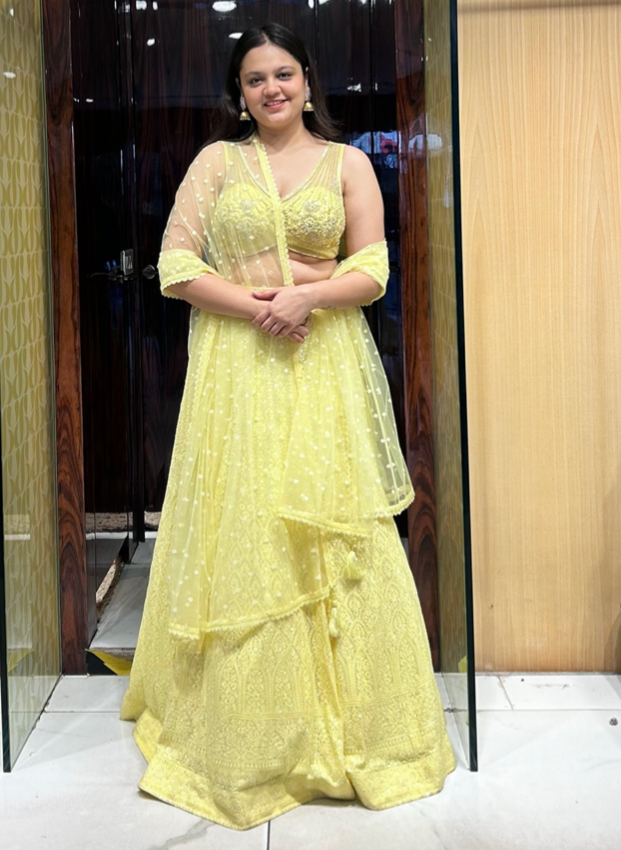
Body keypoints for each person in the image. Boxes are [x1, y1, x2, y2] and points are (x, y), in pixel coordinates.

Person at [120, 22, 456, 831]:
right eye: (254, 80)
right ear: (239, 94)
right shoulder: (215, 164)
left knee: (332, 528)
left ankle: (352, 732)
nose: (271, 89)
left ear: (308, 80)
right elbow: (175, 264)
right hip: (239, 371)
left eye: (283, 75)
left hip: (323, 368)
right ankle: (255, 737)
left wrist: (312, 296)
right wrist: (265, 307)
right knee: (250, 529)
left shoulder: (348, 164)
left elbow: (373, 267)